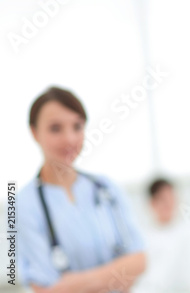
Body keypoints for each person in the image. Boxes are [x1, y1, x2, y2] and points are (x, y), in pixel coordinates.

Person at [18, 86, 146, 293]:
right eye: (55, 128)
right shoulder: (22, 205)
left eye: (77, 127)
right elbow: (43, 288)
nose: (69, 139)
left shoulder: (106, 187)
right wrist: (113, 275)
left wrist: (74, 283)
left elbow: (139, 260)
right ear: (34, 132)